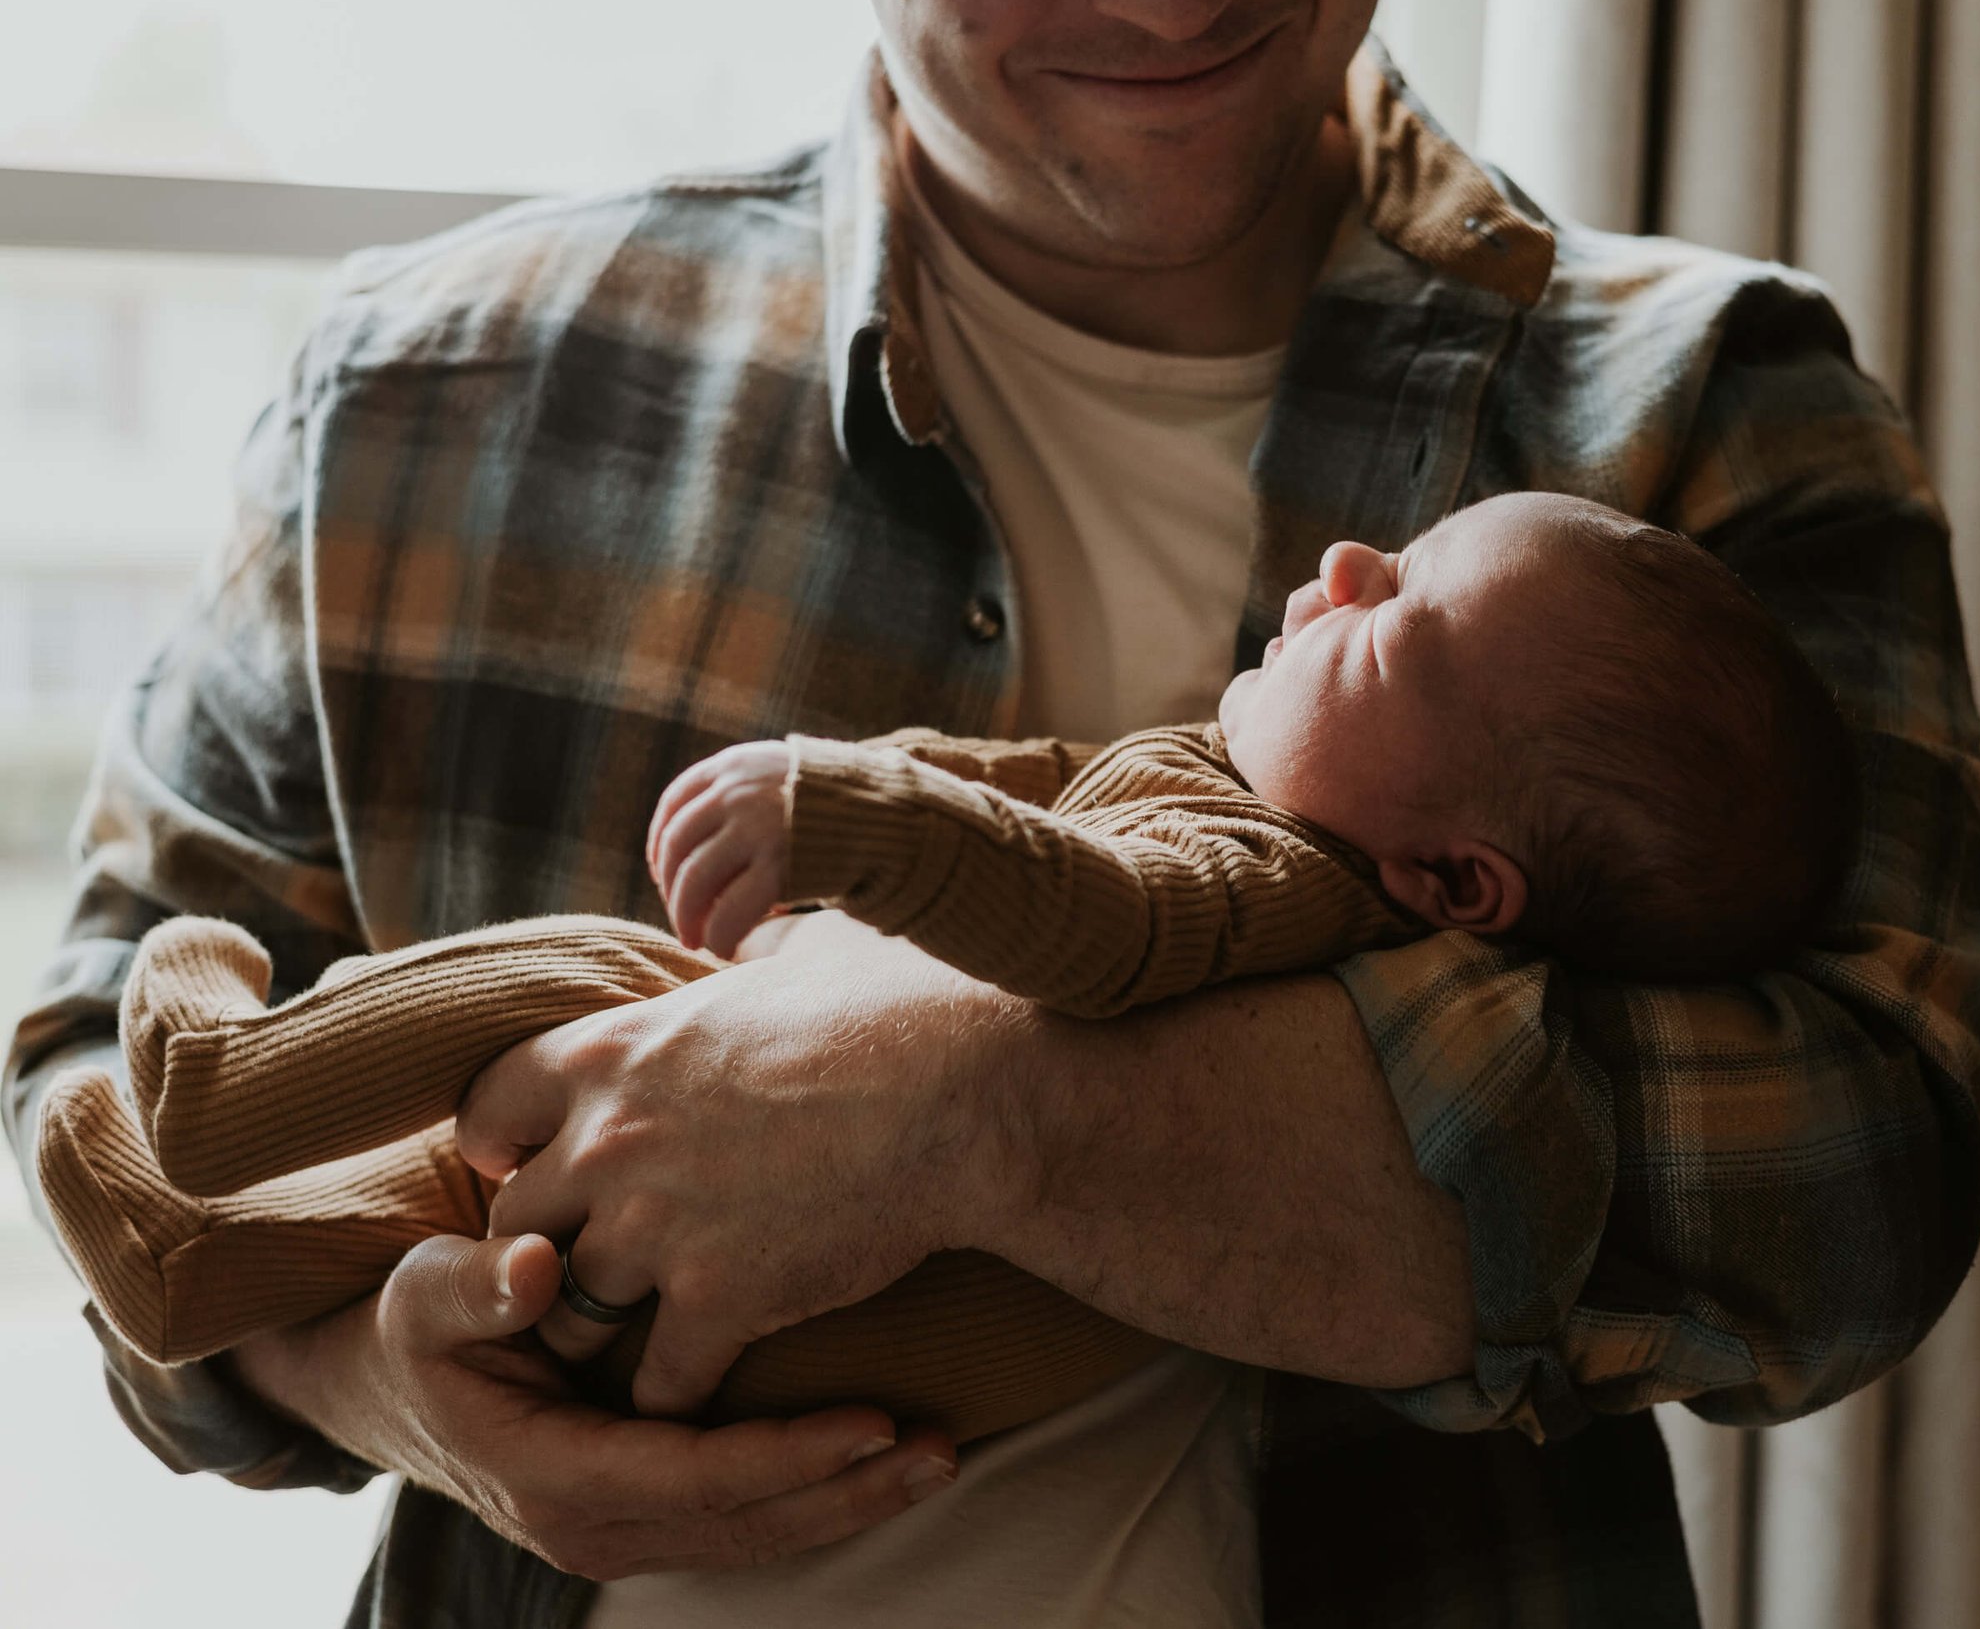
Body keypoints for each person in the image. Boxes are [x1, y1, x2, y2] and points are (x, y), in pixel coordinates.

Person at [0, 0, 1980, 1625]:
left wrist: (962, 1105)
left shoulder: (1710, 411)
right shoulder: (416, 395)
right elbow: (94, 1073)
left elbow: (1846, 1190)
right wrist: (386, 1382)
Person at [40, 491, 1860, 1412]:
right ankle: (195, 1269)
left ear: (1460, 886)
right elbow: (1051, 794)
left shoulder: (1278, 883)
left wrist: (851, 819)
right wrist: (376, 1399)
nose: (1346, 565)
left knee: (599, 988)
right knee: (469, 1200)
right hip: (755, 1363)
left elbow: (1088, 913)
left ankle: (211, 1094)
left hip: (830, 1321)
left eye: (1399, 631)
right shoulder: (1263, 802)